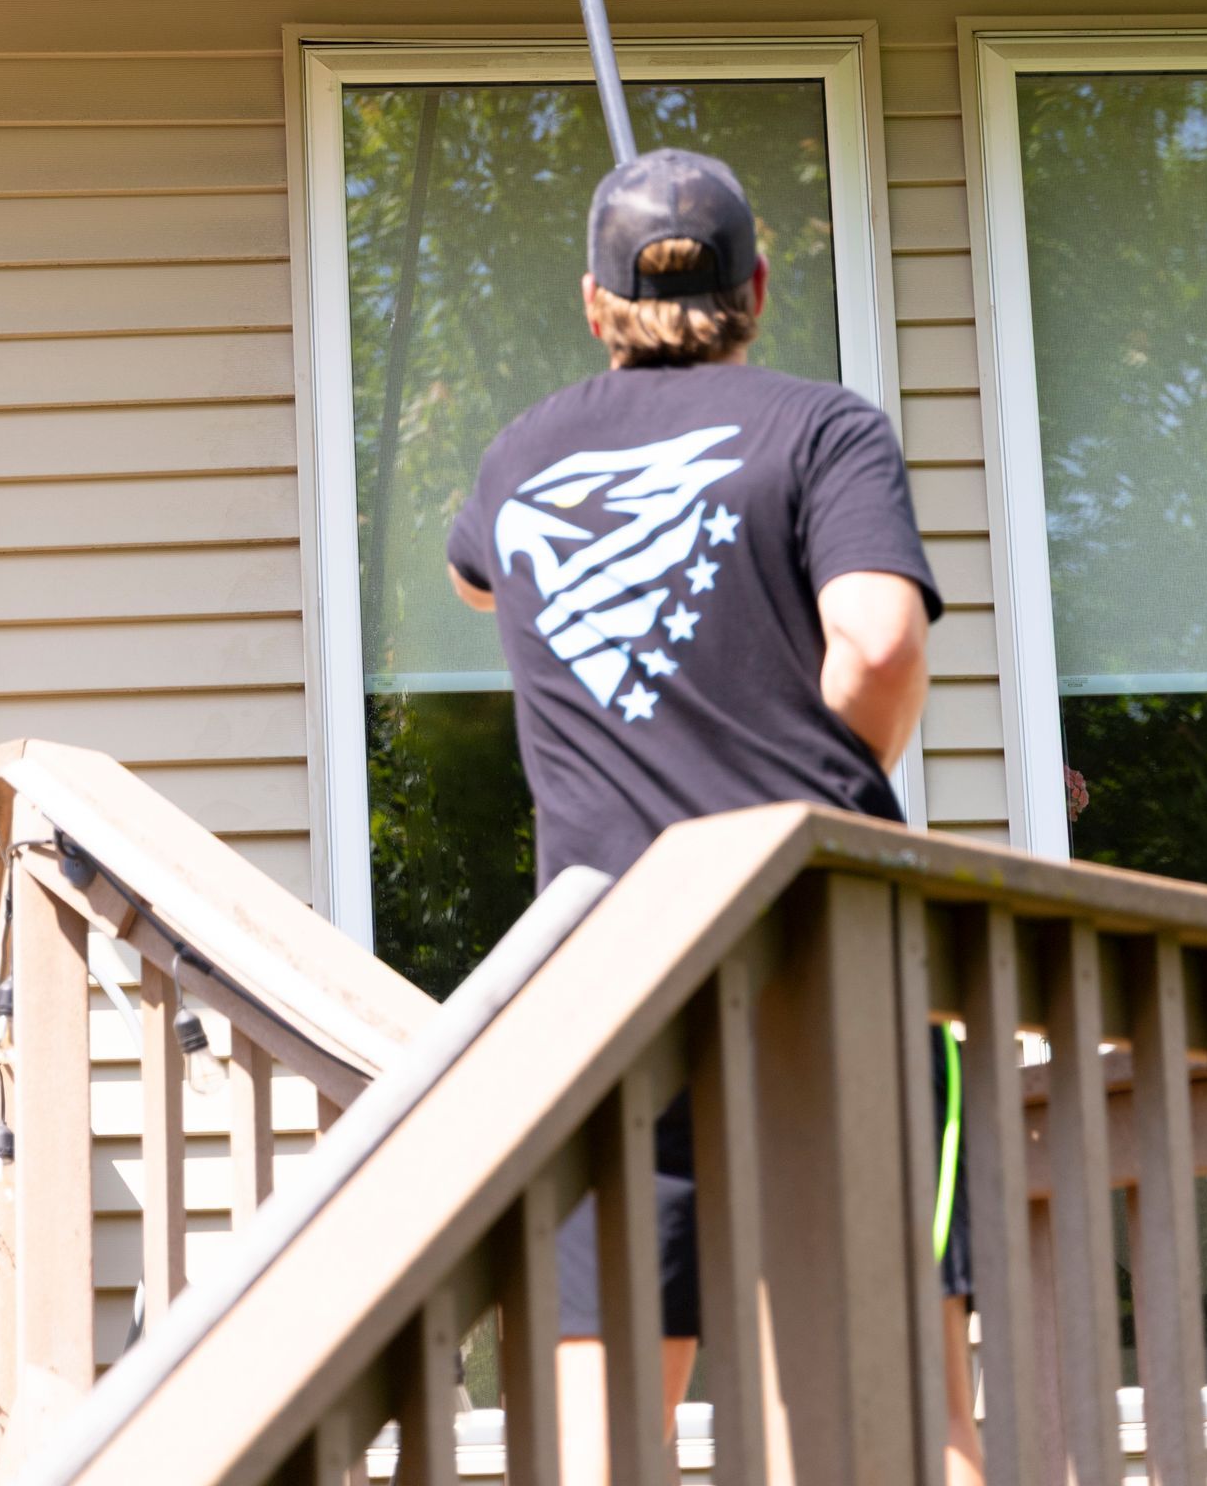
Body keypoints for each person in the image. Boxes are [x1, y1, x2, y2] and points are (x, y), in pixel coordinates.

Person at [445, 146, 982, 1486]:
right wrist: (832, 779)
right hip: (824, 959)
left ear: (591, 304)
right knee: (904, 1424)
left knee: (599, 1446)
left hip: (609, 990)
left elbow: (477, 586)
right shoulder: (822, 428)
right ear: (757, 288)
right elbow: (873, 640)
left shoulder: (521, 459)